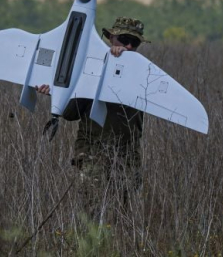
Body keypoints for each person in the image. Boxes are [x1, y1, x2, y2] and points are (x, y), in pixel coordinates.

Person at [35, 17, 149, 219]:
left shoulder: (144, 72)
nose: (129, 46)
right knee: (92, 210)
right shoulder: (93, 66)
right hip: (92, 150)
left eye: (135, 42)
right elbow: (71, 114)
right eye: (123, 39)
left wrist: (121, 65)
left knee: (124, 213)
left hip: (127, 153)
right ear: (110, 38)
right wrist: (57, 95)